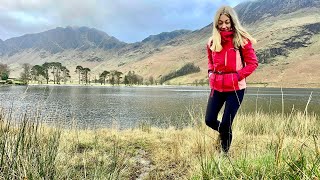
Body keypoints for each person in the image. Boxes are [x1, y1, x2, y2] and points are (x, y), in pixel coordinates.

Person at [205, 6, 258, 153]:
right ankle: (224, 133)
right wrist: (210, 73)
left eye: (227, 22)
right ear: (216, 24)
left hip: (235, 89)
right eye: (220, 23)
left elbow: (253, 64)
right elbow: (210, 62)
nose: (224, 25)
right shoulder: (211, 42)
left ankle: (224, 155)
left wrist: (237, 76)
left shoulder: (242, 41)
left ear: (232, 22)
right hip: (217, 87)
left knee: (227, 123)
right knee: (209, 120)